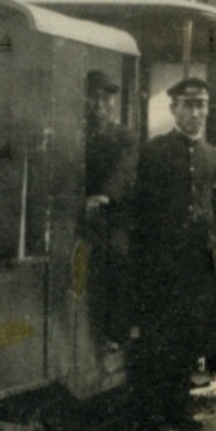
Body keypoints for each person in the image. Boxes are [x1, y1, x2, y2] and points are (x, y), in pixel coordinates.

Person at [129, 78, 216, 431]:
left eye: (201, 105)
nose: (196, 113)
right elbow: (141, 210)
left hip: (195, 263)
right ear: (173, 110)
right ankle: (149, 413)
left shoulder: (210, 156)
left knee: (187, 336)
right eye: (188, 105)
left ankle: (178, 408)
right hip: (160, 262)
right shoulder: (153, 153)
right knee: (157, 336)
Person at [83, 70, 138, 350]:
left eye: (106, 99)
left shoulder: (124, 136)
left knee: (116, 256)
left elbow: (125, 171)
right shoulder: (74, 135)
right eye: (93, 98)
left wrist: (105, 195)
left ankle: (114, 332)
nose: (99, 105)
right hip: (79, 214)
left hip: (113, 218)